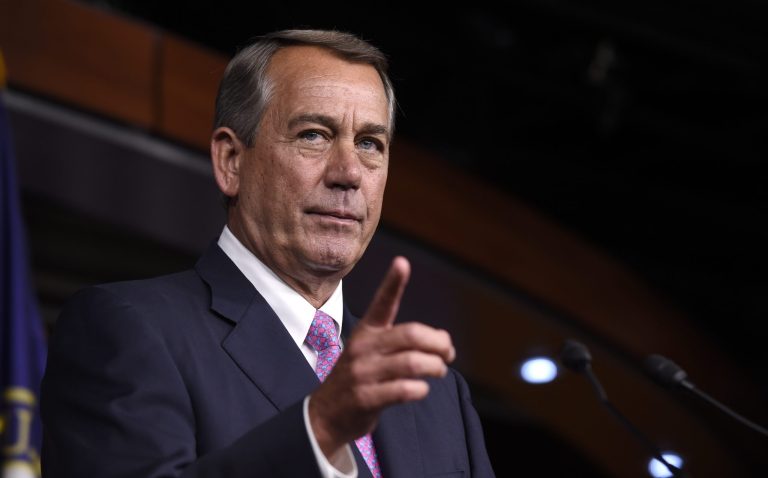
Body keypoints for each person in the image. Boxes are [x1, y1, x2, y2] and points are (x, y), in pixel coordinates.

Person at [40, 29, 495, 477]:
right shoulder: (128, 329)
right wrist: (318, 429)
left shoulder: (435, 394)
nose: (349, 173)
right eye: (314, 135)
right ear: (231, 161)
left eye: (369, 144)